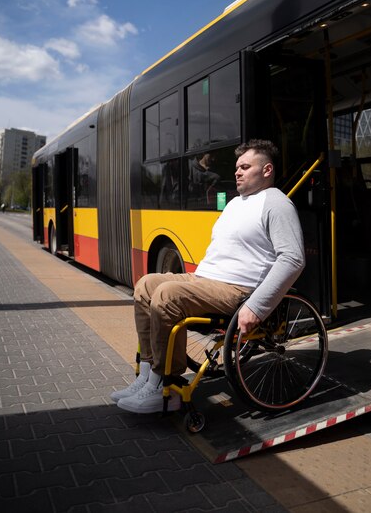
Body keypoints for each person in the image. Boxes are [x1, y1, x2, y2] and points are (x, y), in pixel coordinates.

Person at [112, 139, 306, 413]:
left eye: (245, 167)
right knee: (145, 285)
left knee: (168, 295)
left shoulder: (277, 204)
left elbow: (293, 258)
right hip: (205, 280)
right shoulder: (236, 203)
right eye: (237, 167)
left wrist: (257, 306)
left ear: (266, 170)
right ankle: (147, 375)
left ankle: (166, 385)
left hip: (237, 290)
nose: (237, 171)